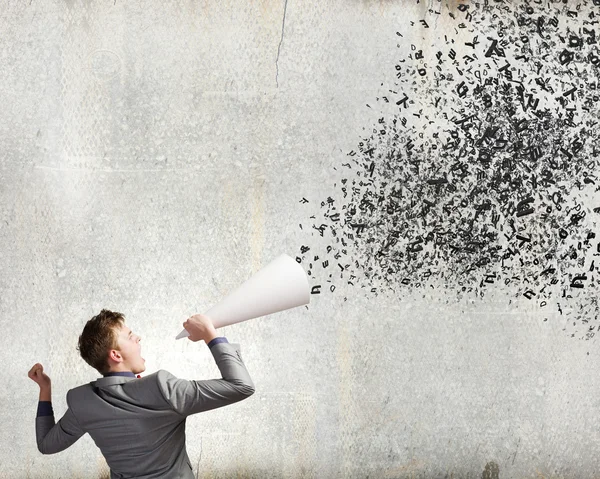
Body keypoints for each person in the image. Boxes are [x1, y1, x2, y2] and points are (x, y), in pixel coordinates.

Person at [28, 309, 255, 478]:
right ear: (116, 355)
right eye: (130, 335)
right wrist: (210, 335)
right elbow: (241, 385)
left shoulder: (82, 401)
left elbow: (47, 445)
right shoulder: (163, 389)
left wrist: (45, 389)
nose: (138, 338)